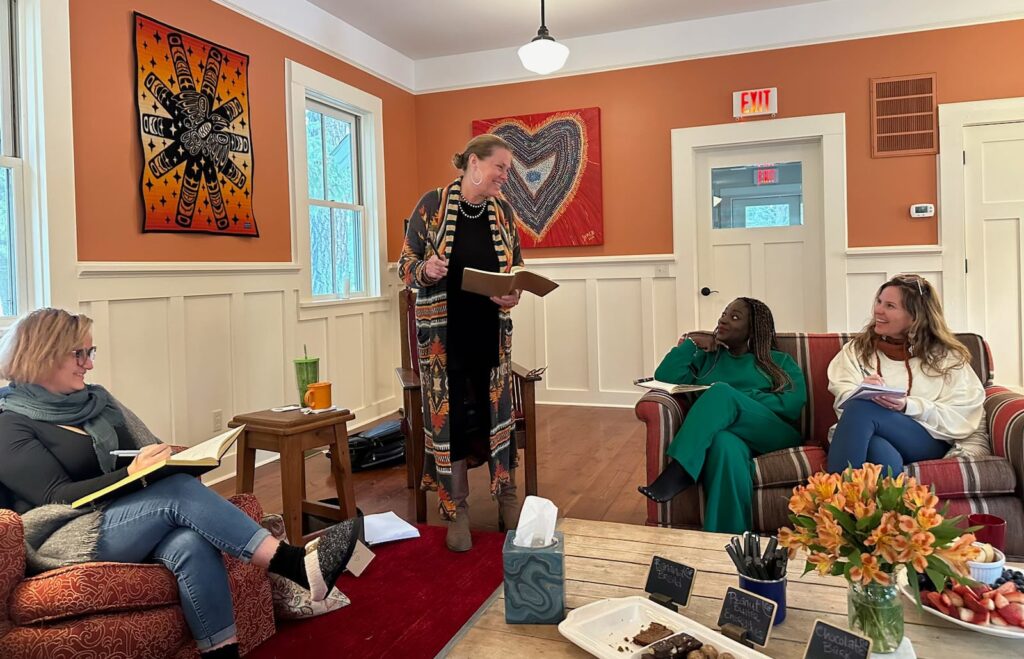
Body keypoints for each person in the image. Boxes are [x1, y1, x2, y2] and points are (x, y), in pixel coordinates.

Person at [0, 308, 364, 659]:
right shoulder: (10, 423)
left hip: (121, 516)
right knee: (175, 495)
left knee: (190, 542)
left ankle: (222, 653)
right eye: (78, 353)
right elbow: (54, 498)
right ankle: (294, 565)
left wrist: (171, 460)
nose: (89, 363)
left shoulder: (98, 402)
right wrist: (130, 475)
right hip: (64, 537)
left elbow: (140, 449)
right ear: (42, 355)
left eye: (90, 351)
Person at [398, 134, 524, 552]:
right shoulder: (431, 205)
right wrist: (427, 270)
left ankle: (507, 498)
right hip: (442, 339)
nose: (506, 176)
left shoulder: (503, 212)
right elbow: (405, 266)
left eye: (507, 169)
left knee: (494, 415)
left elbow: (517, 264)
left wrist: (515, 290)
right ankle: (459, 509)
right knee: (454, 420)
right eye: (500, 167)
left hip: (491, 332)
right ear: (474, 163)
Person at [638, 298, 807, 534]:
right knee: (723, 445)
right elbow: (665, 376)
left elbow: (791, 404)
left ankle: (681, 469)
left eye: (735, 317)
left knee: (721, 392)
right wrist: (691, 343)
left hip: (772, 434)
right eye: (724, 313)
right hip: (730, 436)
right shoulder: (708, 358)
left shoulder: (777, 361)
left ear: (753, 330)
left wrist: (737, 399)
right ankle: (724, 544)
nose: (723, 320)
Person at [826, 274, 987, 475]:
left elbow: (963, 415)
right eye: (879, 301)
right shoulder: (857, 350)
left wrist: (908, 406)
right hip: (870, 436)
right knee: (878, 450)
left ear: (915, 317)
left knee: (862, 407)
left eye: (890, 306)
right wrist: (860, 390)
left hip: (928, 442)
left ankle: (832, 499)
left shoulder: (947, 357)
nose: (878, 310)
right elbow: (843, 401)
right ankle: (886, 505)